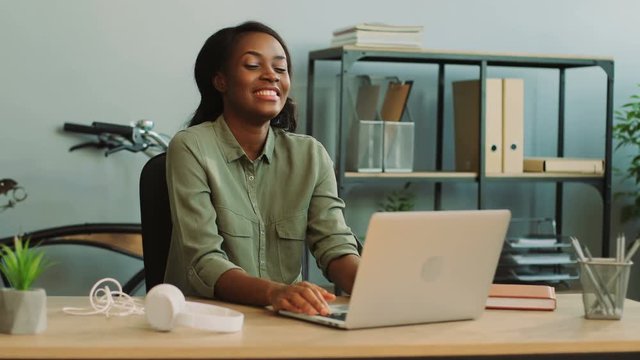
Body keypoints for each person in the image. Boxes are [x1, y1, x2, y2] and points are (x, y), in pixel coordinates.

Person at [164, 21, 360, 316]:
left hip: (285, 321)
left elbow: (334, 244)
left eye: (280, 69)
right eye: (253, 65)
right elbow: (204, 261)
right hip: (206, 322)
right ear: (221, 81)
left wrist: (378, 287)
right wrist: (275, 292)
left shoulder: (310, 155)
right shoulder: (191, 146)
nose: (271, 76)